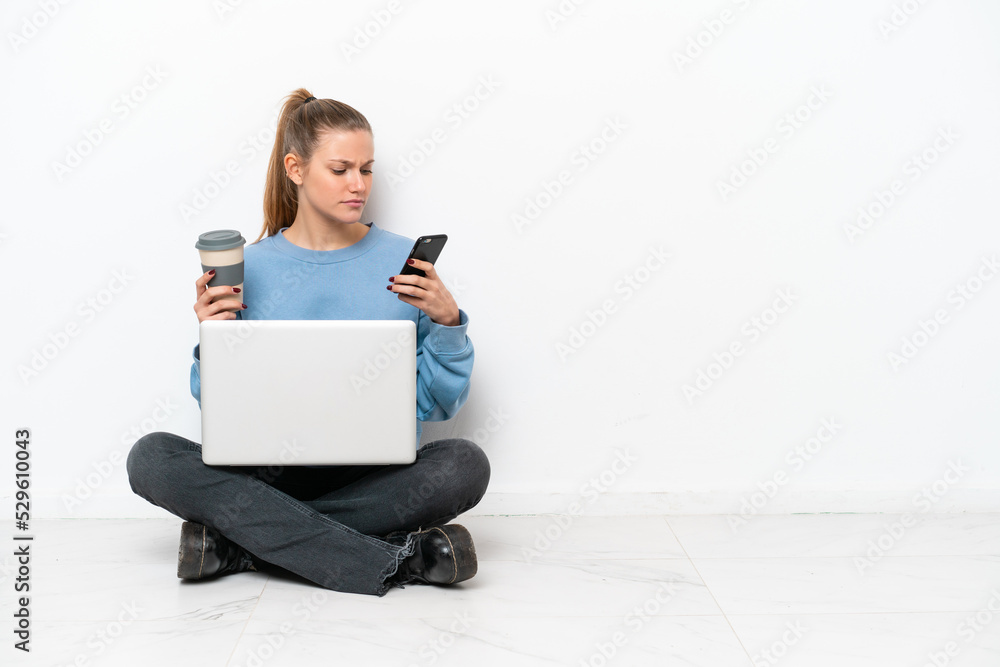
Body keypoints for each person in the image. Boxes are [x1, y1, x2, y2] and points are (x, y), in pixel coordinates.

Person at [126, 89, 490, 597]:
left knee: (464, 465)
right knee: (150, 457)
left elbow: (437, 406)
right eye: (340, 169)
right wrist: (214, 338)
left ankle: (241, 544)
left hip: (373, 478)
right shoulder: (246, 267)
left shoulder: (406, 263)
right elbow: (217, 405)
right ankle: (399, 559)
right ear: (295, 169)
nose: (358, 184)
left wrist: (448, 324)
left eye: (366, 169)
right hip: (268, 475)